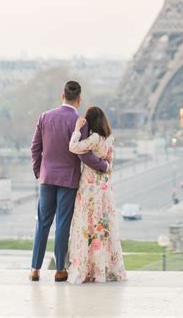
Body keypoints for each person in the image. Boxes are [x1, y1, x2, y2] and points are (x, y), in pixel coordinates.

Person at [30, 81, 108, 282]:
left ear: (61, 96)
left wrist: (40, 172)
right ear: (79, 100)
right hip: (68, 179)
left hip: (47, 178)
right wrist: (103, 165)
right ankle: (60, 269)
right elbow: (83, 154)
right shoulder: (80, 122)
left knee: (42, 223)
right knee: (62, 225)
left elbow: (35, 148)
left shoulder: (45, 117)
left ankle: (35, 269)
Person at [67, 106, 127, 283]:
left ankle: (87, 267)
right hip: (105, 187)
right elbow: (109, 163)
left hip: (90, 185)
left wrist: (77, 130)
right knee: (104, 225)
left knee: (88, 223)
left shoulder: (93, 138)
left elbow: (73, 147)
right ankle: (104, 267)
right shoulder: (110, 138)